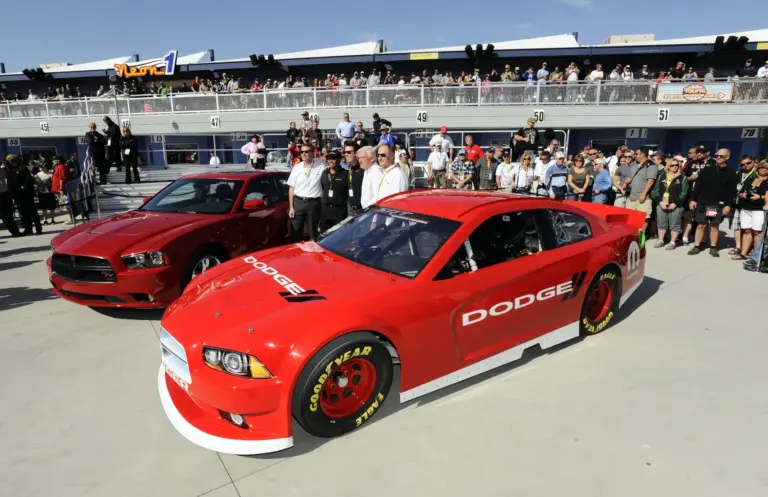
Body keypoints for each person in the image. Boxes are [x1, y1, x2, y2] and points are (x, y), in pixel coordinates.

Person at [688, 148, 737, 257]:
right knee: (701, 225)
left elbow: (731, 191)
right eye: (716, 156)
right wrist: (693, 199)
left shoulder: (731, 172)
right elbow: (698, 186)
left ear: (727, 158)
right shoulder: (706, 170)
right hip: (703, 202)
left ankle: (713, 247)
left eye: (721, 156)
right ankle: (697, 246)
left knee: (714, 226)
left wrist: (728, 205)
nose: (718, 158)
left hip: (717, 204)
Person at [287, 143, 324, 242]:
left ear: (312, 153)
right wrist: (291, 207)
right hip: (298, 203)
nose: (303, 154)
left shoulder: (321, 166)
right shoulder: (296, 167)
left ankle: (314, 255)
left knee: (313, 233)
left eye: (306, 151)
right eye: (302, 152)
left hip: (313, 204)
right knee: (296, 232)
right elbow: (291, 188)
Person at [651, 157, 688, 249]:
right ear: (668, 166)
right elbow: (655, 191)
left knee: (675, 224)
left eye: (676, 165)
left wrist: (675, 203)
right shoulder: (662, 176)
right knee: (661, 223)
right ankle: (660, 240)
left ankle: (672, 242)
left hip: (676, 205)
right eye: (672, 165)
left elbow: (684, 193)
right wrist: (660, 202)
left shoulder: (683, 177)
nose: (674, 167)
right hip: (662, 203)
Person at [734, 161, 768, 260]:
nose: (765, 169)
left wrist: (760, 197)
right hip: (746, 207)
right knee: (746, 231)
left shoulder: (767, 181)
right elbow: (741, 190)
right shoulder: (751, 178)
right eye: (763, 167)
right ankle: (744, 253)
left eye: (767, 168)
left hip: (759, 209)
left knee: (757, 232)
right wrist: (742, 194)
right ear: (758, 168)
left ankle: (755, 255)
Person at [7, 154, 42, 235]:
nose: (12, 163)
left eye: (12, 161)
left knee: (33, 212)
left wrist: (24, 188)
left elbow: (28, 181)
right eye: (10, 161)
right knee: (24, 213)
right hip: (17, 195)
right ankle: (28, 229)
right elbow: (10, 183)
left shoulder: (23, 168)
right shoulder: (10, 170)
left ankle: (38, 228)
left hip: (27, 194)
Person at [626, 147, 658, 231]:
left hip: (643, 197)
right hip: (632, 197)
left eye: (636, 154)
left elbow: (651, 181)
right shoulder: (634, 165)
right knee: (631, 218)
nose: (634, 156)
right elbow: (631, 177)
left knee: (643, 218)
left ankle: (641, 236)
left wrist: (643, 194)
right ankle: (632, 234)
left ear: (643, 154)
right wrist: (627, 184)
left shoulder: (651, 165)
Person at [730, 155, 756, 257]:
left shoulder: (757, 174)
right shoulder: (739, 173)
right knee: (737, 226)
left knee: (749, 228)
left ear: (753, 162)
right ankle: (738, 247)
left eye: (748, 163)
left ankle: (750, 248)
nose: (745, 166)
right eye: (742, 164)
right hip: (736, 204)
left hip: (750, 205)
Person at [319, 150, 349, 232]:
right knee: (323, 236)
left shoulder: (346, 174)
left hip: (339, 210)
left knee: (338, 236)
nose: (330, 161)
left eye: (333, 158)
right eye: (329, 158)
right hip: (325, 210)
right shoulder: (324, 173)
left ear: (340, 159)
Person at [0, 158, 21, 236]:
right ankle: (15, 232)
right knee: (4, 215)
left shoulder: (4, 170)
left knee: (8, 215)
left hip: (6, 193)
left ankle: (15, 232)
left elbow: (8, 180)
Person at [344, 142, 365, 217]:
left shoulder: (363, 168)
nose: (346, 154)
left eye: (349, 152)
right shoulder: (349, 167)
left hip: (362, 208)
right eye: (345, 152)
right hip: (350, 207)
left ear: (356, 153)